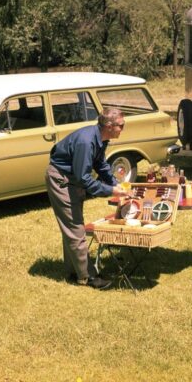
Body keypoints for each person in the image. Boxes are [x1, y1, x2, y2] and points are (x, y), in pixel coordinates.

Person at [45, 107, 130, 289]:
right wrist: (111, 191)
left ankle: (73, 270)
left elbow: (100, 164)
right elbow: (84, 178)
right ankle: (87, 277)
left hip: (72, 179)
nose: (123, 129)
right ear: (109, 125)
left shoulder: (101, 137)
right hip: (61, 180)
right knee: (75, 227)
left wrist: (115, 183)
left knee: (72, 226)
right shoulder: (86, 142)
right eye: (121, 125)